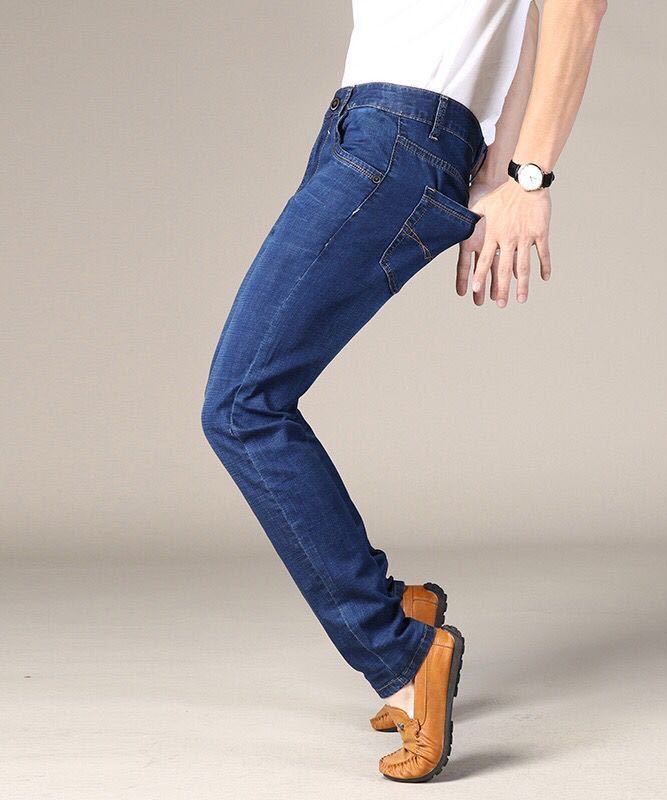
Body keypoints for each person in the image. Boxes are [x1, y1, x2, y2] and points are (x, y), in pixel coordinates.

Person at [202, 0, 606, 782]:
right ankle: (398, 612)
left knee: (242, 406)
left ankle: (401, 651)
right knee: (250, 401)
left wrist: (527, 177)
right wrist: (495, 168)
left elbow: (573, 7)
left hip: (400, 133)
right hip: (359, 123)